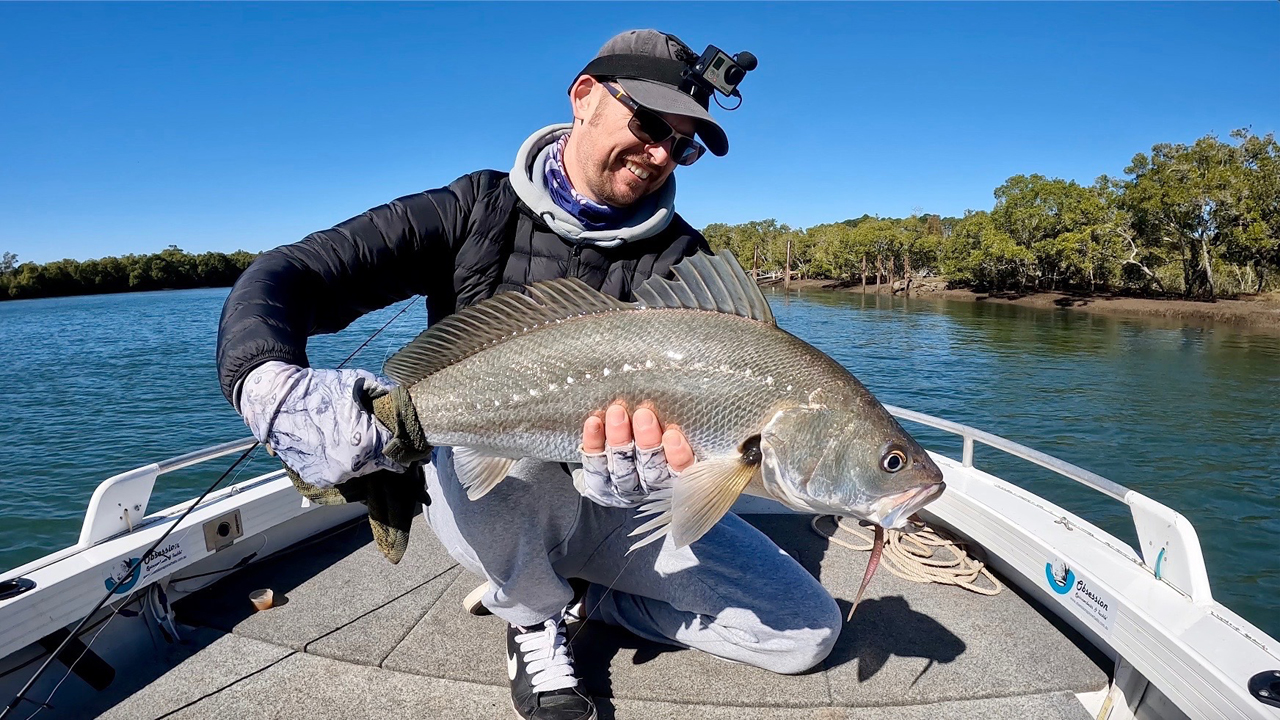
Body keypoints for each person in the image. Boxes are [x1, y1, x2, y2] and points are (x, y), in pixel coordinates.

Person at [216, 29, 842, 720]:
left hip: (617, 499)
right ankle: (533, 618)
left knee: (806, 634)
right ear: (584, 97)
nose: (662, 153)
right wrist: (262, 378)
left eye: (683, 144)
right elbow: (289, 272)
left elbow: (698, 440)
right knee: (518, 464)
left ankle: (590, 598)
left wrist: (664, 477)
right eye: (648, 123)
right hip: (489, 482)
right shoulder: (472, 209)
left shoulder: (683, 263)